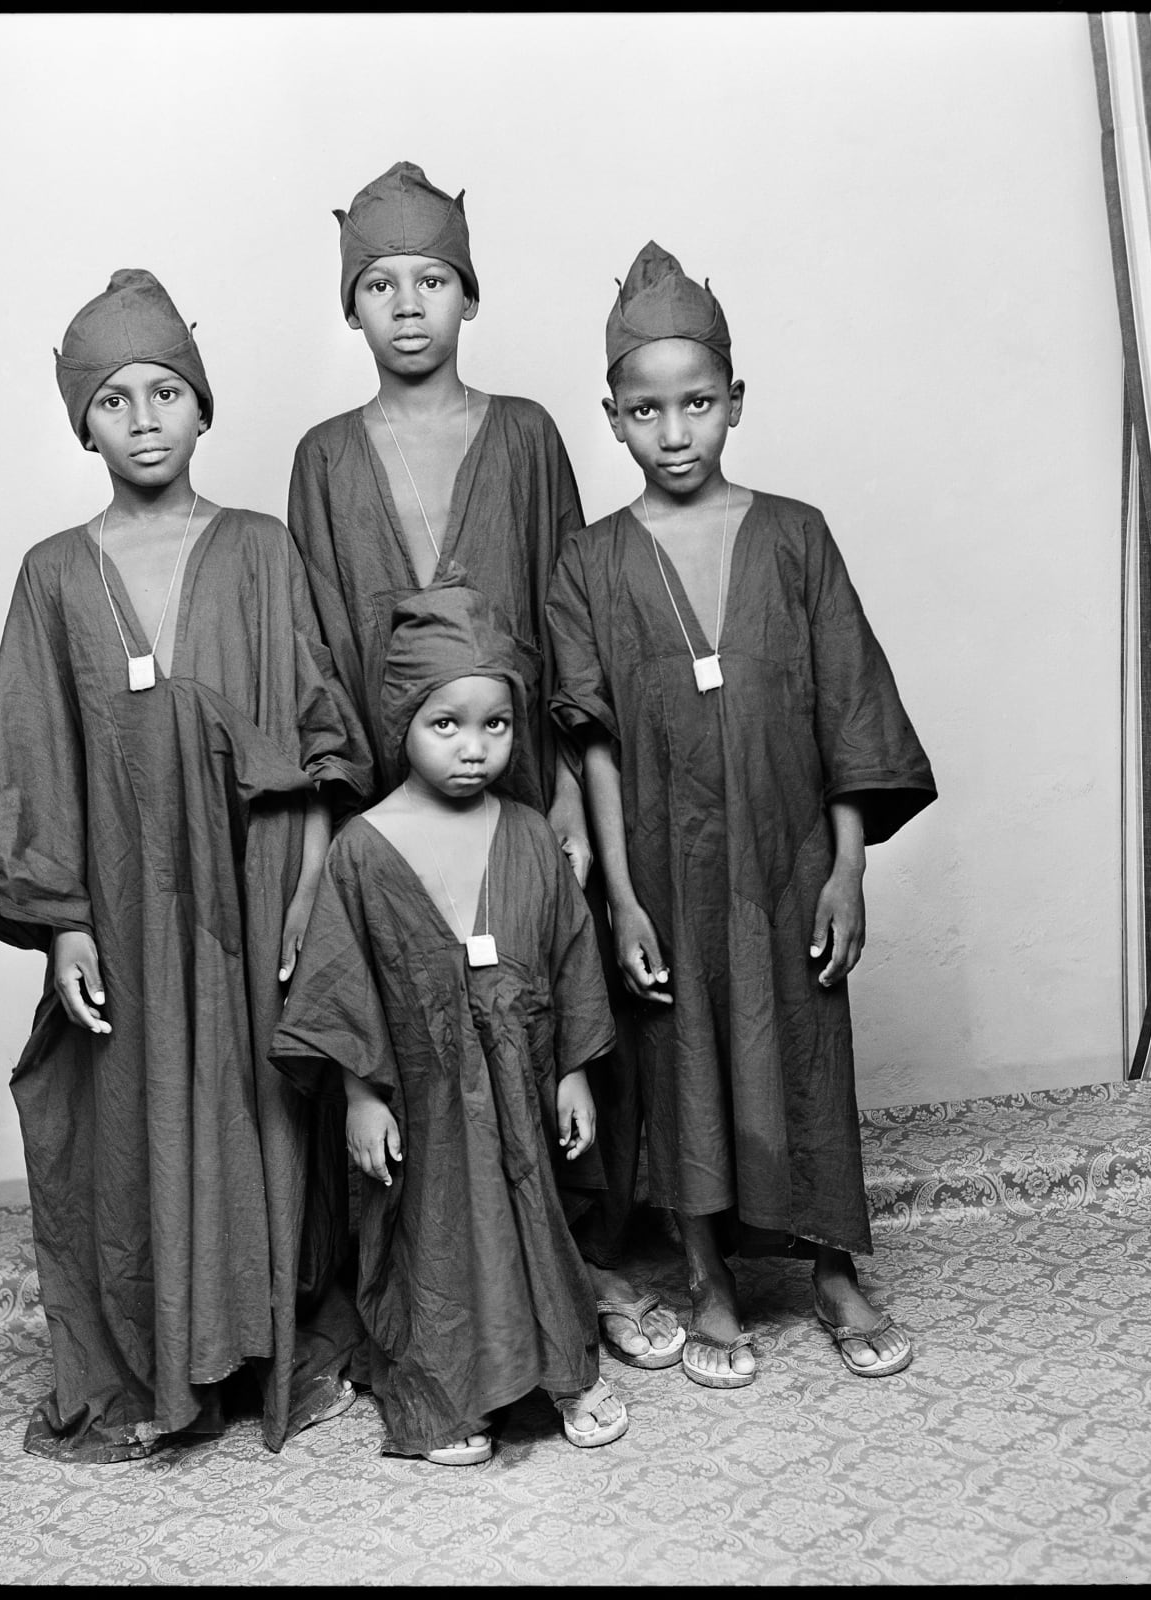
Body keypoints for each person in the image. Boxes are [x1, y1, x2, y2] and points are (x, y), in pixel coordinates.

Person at [0, 268, 373, 1461]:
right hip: (129, 905)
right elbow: (30, 749)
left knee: (261, 1104)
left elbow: (318, 729)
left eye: (167, 392)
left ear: (204, 409)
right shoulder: (53, 575)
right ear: (80, 420)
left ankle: (265, 1353)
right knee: (134, 1112)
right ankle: (157, 1364)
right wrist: (65, 923)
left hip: (255, 883)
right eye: (114, 400)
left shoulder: (259, 551)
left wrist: (306, 897)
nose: (143, 419)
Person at [287, 160, 683, 1373]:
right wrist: (328, 843)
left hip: (513, 783)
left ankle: (577, 1263)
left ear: (470, 296)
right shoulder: (321, 457)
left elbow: (567, 616)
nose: (408, 304)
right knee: (413, 1057)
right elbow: (311, 645)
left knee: (542, 1023)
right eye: (380, 283)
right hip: (386, 813)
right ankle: (436, 1294)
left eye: (433, 279)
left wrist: (562, 786)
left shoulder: (525, 437)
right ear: (350, 305)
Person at [545, 242, 937, 1388]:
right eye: (647, 410)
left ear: (737, 403)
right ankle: (709, 1279)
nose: (677, 432)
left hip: (788, 854)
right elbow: (594, 743)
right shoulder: (591, 565)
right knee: (681, 1062)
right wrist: (620, 897)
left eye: (699, 405)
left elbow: (853, 714)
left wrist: (847, 868)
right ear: (612, 419)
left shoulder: (797, 537)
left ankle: (833, 1268)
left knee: (805, 1051)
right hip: (663, 864)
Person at [271, 583, 631, 1464]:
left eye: (496, 726)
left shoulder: (529, 838)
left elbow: (569, 957)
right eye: (447, 725)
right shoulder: (363, 849)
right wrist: (361, 1096)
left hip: (518, 1092)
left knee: (534, 1224)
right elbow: (340, 984)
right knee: (430, 1245)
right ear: (402, 721)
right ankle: (444, 1397)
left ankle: (564, 1376)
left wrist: (573, 1071)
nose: (474, 749)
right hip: (424, 1108)